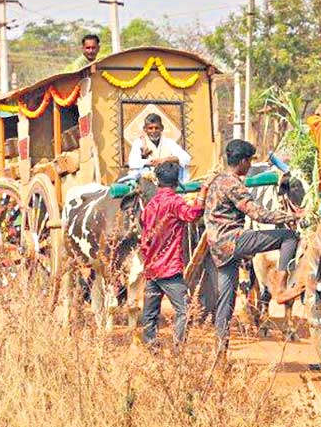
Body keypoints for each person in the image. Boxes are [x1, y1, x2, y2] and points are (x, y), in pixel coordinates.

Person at [204, 139, 303, 361]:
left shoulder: (216, 181)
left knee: (226, 303)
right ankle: (279, 289)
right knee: (289, 237)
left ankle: (220, 355)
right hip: (233, 240)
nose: (250, 166)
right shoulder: (232, 184)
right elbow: (258, 214)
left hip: (218, 249)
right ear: (241, 161)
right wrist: (294, 216)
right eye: (249, 161)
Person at [138, 160, 206, 348]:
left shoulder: (149, 207)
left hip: (151, 270)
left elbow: (144, 237)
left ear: (157, 181)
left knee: (150, 315)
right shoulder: (175, 202)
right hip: (170, 271)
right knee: (185, 310)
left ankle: (152, 351)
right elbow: (193, 214)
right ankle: (177, 352)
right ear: (176, 182)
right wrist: (203, 191)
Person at [128, 113, 192, 183]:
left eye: (156, 128)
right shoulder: (138, 143)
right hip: (148, 180)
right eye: (150, 128)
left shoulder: (169, 142)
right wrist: (150, 162)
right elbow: (132, 162)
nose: (154, 131)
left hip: (167, 179)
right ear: (145, 129)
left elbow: (186, 158)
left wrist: (166, 160)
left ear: (162, 128)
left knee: (182, 168)